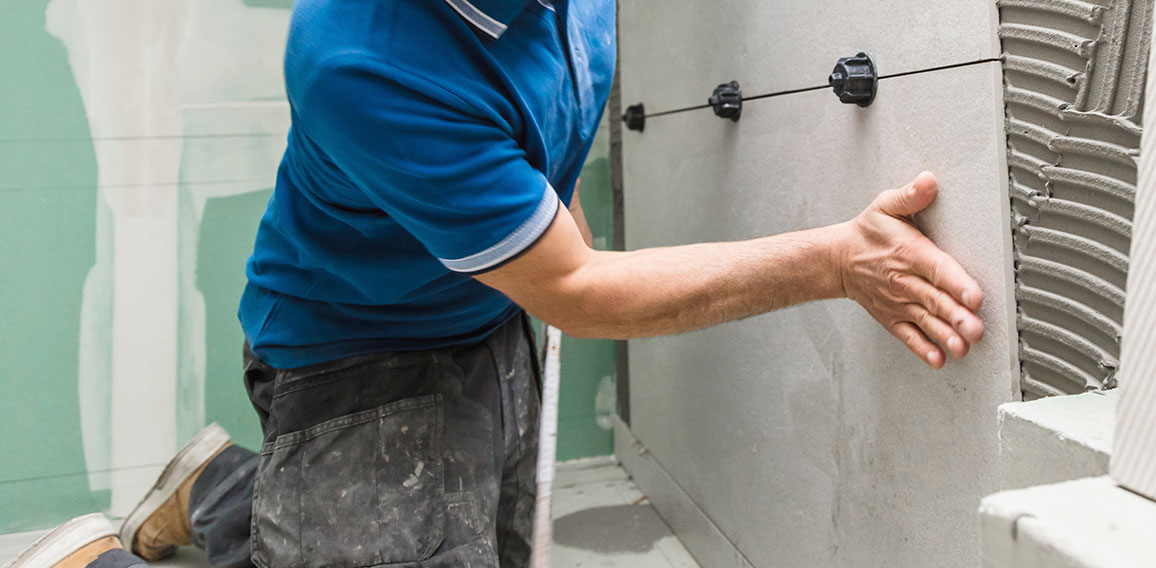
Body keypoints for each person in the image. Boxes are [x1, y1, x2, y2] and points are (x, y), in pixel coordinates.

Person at [9, 0, 986, 566]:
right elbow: (578, 290)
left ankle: (231, 489)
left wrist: (543, 226)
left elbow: (540, 169)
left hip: (486, 308)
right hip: (356, 348)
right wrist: (835, 262)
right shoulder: (361, 54)